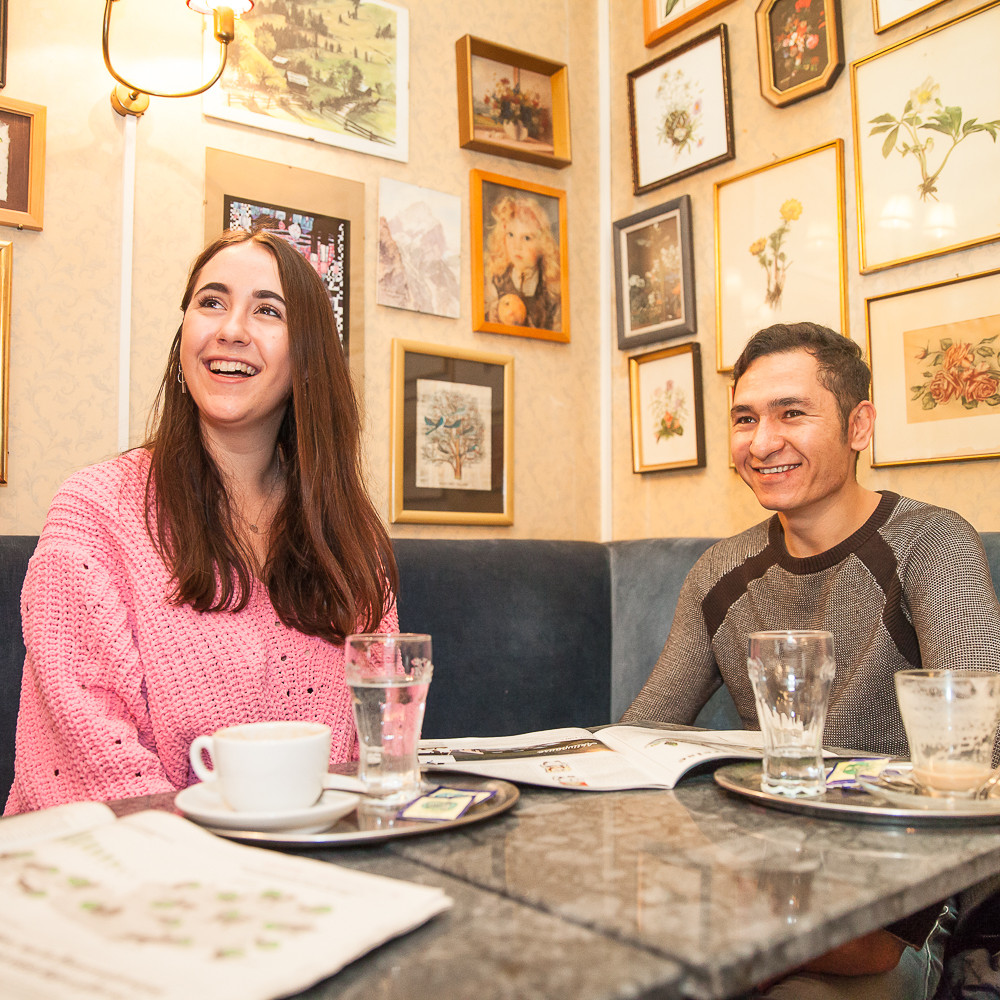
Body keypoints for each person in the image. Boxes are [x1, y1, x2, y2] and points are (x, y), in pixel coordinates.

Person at [623, 322, 1000, 999]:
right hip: (762, 880)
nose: (762, 442)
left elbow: (977, 755)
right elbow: (639, 737)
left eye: (791, 413)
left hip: (901, 908)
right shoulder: (720, 571)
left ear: (860, 426)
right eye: (745, 418)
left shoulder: (932, 542)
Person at [5, 227, 398, 815]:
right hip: (119, 872)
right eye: (210, 302)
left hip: (313, 864)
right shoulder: (93, 512)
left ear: (308, 356)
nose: (230, 329)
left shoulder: (348, 538)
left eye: (268, 310)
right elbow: (96, 761)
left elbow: (382, 736)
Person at [483, 194, 561, 331]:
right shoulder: (496, 280)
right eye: (511, 235)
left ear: (542, 244)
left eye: (526, 238)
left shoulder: (550, 292)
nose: (516, 246)